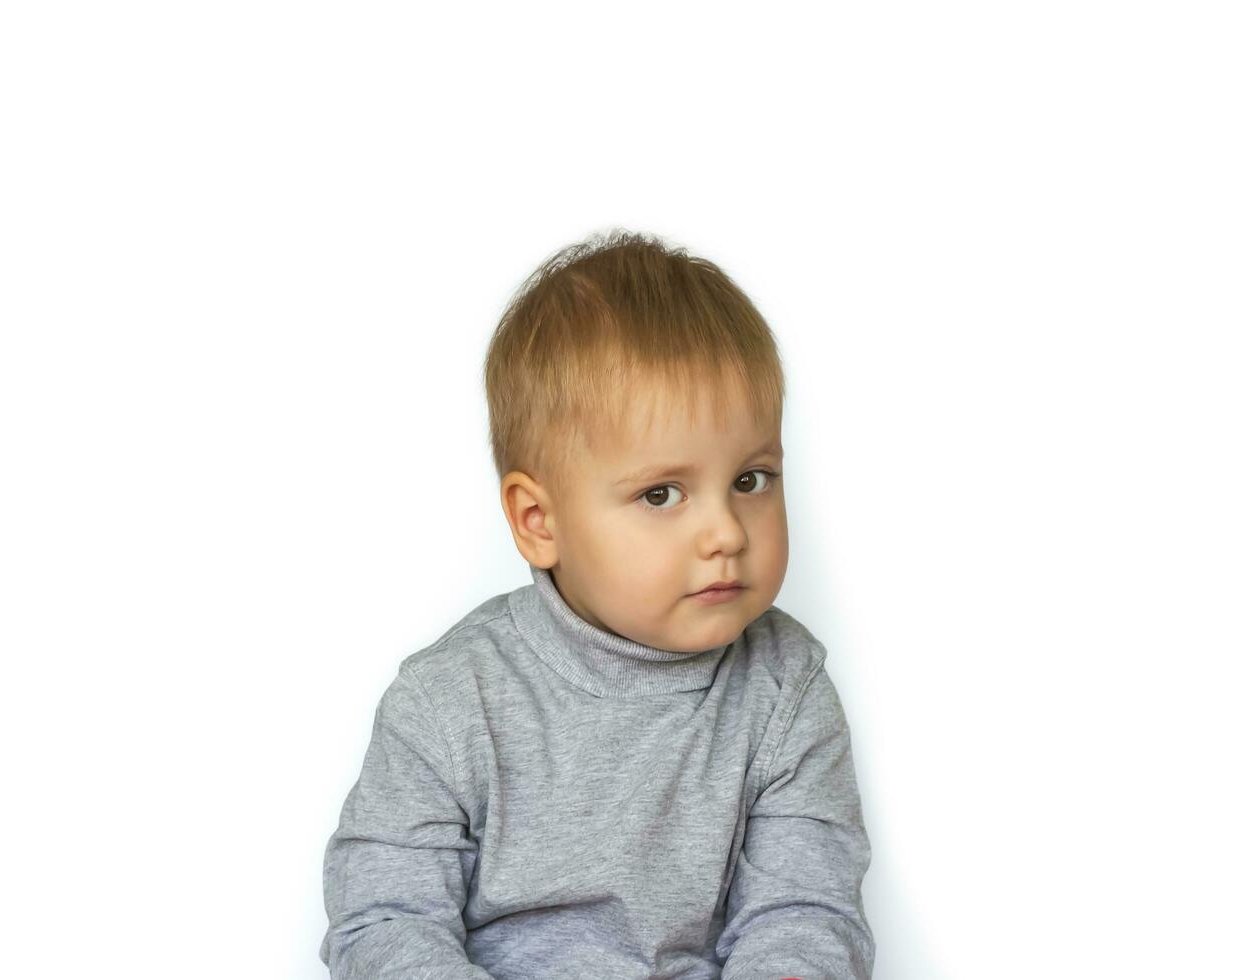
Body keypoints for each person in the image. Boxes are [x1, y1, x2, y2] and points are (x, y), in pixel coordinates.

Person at [318, 230, 875, 979]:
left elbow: (804, 913)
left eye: (751, 480)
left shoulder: (784, 686)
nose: (725, 532)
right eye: (661, 494)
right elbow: (385, 921)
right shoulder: (448, 703)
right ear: (538, 522)